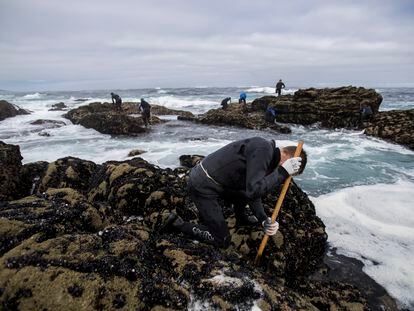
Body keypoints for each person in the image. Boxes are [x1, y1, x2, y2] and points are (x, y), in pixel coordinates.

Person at [161, 137, 307, 248]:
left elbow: (250, 191)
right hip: (202, 185)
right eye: (290, 169)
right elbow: (253, 190)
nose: (287, 175)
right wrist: (282, 172)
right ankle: (177, 224)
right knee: (222, 240)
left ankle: (241, 218)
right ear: (287, 155)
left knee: (243, 192)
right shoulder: (264, 150)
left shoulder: (266, 154)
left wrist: (263, 219)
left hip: (217, 183)